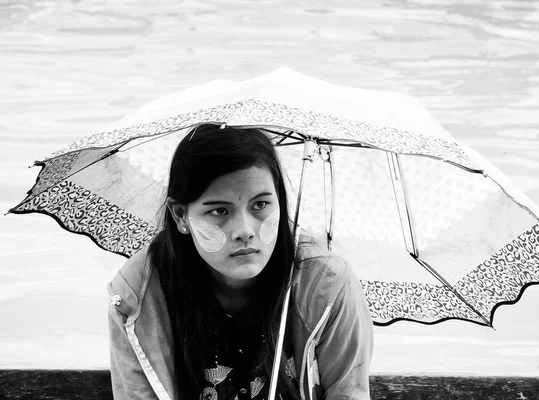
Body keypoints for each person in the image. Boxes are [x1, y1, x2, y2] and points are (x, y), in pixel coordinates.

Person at [107, 124, 374, 400]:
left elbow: (348, 392)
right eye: (220, 210)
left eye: (260, 205)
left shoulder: (325, 287)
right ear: (180, 215)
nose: (245, 230)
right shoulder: (138, 296)